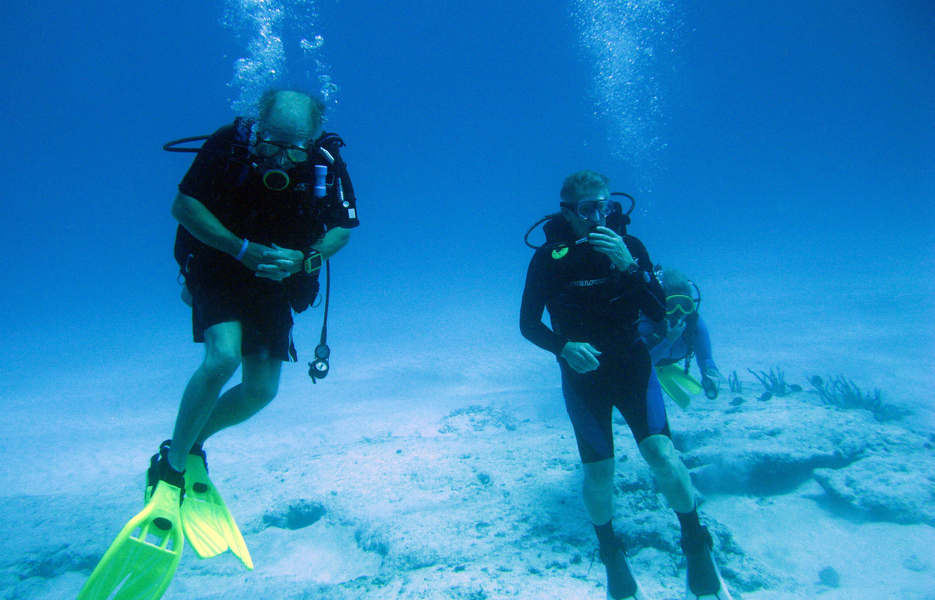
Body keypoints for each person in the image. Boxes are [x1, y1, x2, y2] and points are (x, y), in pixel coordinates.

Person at [76, 89, 359, 600]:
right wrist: (241, 248)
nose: (281, 156)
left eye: (295, 146)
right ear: (258, 125)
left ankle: (185, 448)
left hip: (275, 274)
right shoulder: (229, 144)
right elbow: (183, 206)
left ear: (312, 138)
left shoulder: (324, 162)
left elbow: (343, 228)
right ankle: (169, 473)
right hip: (219, 263)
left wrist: (305, 259)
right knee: (223, 356)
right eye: (272, 141)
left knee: (261, 391)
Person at [519, 170, 731, 600]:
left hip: (633, 366)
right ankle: (612, 556)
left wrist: (628, 265)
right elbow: (527, 324)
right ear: (567, 212)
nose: (599, 217)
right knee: (600, 475)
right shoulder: (547, 259)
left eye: (606, 206)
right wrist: (563, 347)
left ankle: (696, 545)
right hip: (583, 376)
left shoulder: (630, 246)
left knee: (662, 455)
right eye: (587, 209)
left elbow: (659, 312)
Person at [640, 268, 724, 408]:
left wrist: (710, 368)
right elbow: (643, 364)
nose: (678, 311)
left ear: (691, 304)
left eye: (685, 305)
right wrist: (668, 341)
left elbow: (705, 357)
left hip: (659, 362)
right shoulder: (647, 320)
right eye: (671, 305)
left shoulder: (693, 321)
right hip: (647, 366)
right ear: (660, 303)